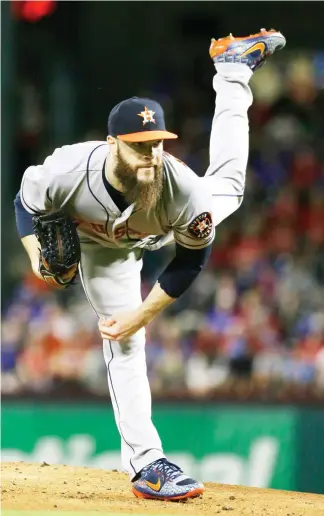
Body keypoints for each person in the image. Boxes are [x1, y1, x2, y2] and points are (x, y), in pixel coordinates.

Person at [14, 28, 286, 501]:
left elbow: (191, 260)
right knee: (123, 344)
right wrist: (37, 257)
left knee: (229, 189)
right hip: (105, 249)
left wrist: (142, 313)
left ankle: (233, 70)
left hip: (166, 223)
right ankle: (148, 465)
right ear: (111, 143)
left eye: (158, 142)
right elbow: (25, 201)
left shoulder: (182, 188)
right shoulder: (65, 171)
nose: (152, 153)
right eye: (140, 144)